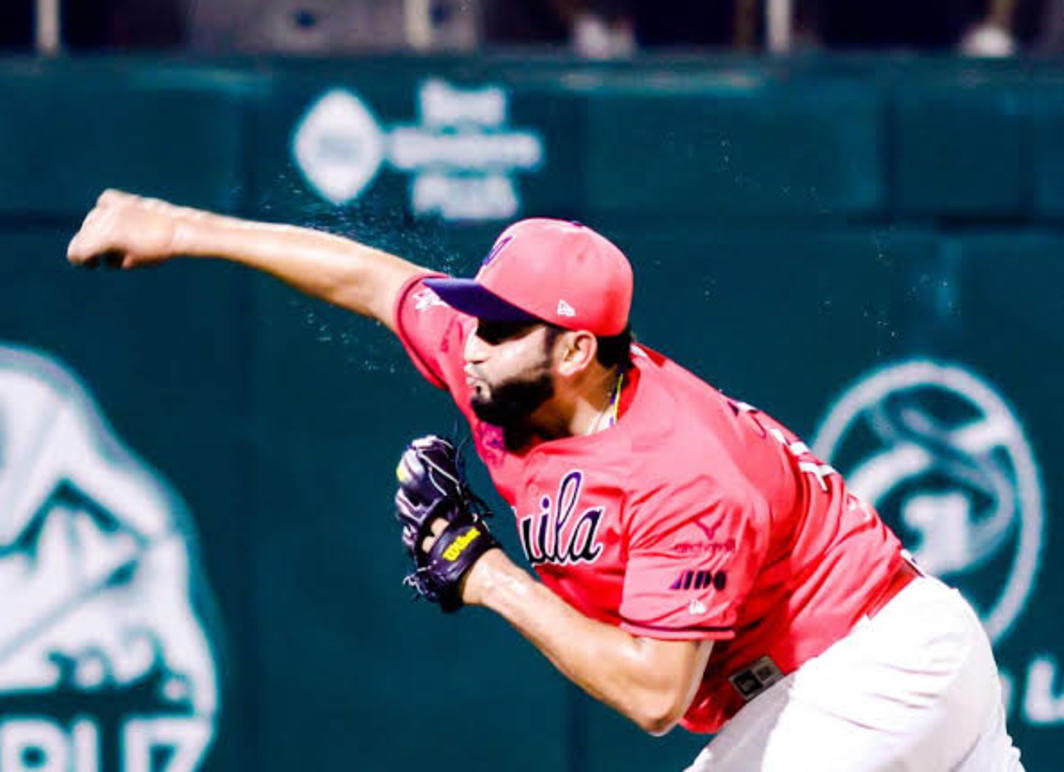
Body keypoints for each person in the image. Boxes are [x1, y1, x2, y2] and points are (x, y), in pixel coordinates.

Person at [66, 190, 1023, 770]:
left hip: (862, 667)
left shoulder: (683, 472)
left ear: (572, 350)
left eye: (498, 325)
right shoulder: (502, 373)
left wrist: (486, 575)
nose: (470, 340)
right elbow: (371, 280)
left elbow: (653, 695)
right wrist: (181, 228)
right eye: (475, 315)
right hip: (879, 665)